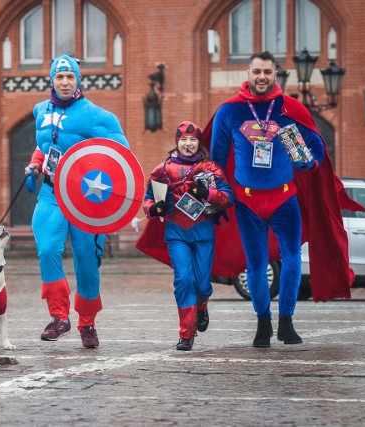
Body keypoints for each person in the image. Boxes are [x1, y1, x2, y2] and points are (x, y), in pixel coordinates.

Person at [207, 51, 364, 347]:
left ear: (275, 74)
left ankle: (286, 322)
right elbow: (216, 159)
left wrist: (310, 164)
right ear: (248, 73)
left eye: (267, 71)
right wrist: (218, 196)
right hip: (247, 201)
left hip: (283, 198)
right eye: (256, 72)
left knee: (292, 259)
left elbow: (317, 147)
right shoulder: (229, 111)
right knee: (256, 264)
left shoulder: (290, 108)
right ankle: (263, 323)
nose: (262, 77)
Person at [24, 54, 129, 349]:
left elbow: (121, 155)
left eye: (70, 77)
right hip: (51, 192)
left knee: (86, 263)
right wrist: (34, 163)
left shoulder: (98, 116)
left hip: (86, 198)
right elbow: (44, 146)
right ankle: (59, 317)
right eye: (60, 77)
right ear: (51, 80)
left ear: (78, 80)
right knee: (47, 251)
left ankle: (87, 323)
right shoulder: (39, 111)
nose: (65, 82)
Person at [141, 121, 233, 351]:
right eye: (183, 140)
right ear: (177, 143)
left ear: (198, 143)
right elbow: (149, 198)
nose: (188, 144)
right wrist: (154, 208)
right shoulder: (162, 170)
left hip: (203, 232)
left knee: (202, 283)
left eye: (192, 140)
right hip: (176, 233)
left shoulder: (211, 168)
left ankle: (202, 306)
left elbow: (228, 197)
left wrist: (208, 193)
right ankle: (186, 333)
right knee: (183, 279)